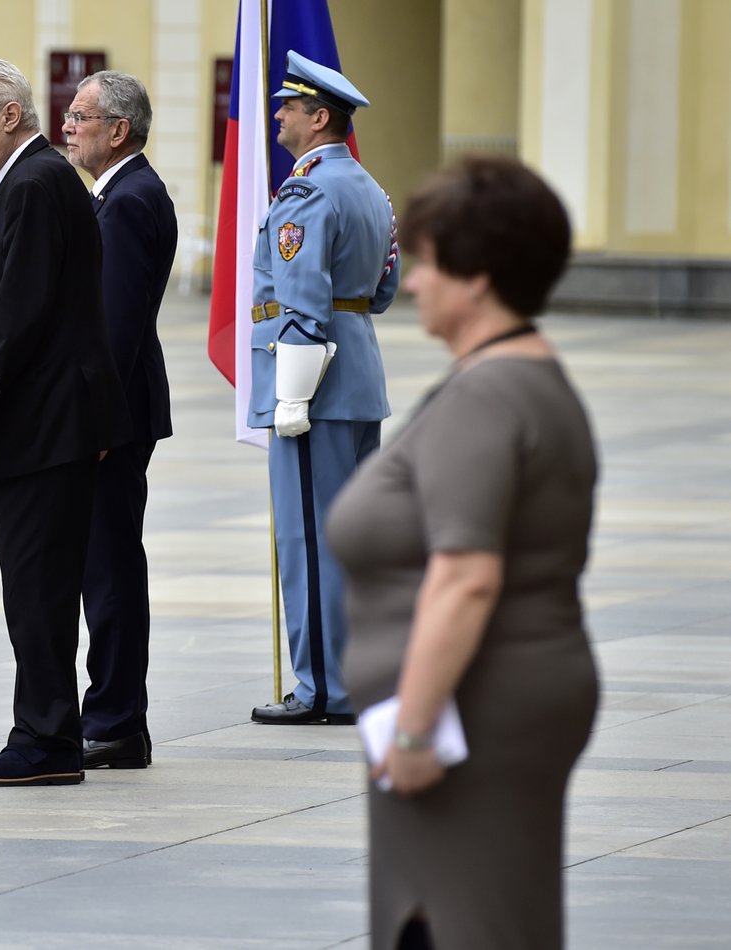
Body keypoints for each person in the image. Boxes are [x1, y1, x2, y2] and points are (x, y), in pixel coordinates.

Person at [326, 155, 600, 949]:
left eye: (429, 262)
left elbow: (467, 575)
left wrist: (412, 731)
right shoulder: (520, 380)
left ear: (477, 277)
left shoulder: (488, 396)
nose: (413, 283)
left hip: (468, 714)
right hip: (502, 702)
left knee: (458, 922)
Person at [0, 59, 128, 787]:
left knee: (40, 587)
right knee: (33, 586)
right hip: (38, 423)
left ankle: (46, 741)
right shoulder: (21, 184)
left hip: (45, 424)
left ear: (9, 116)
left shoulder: (36, 184)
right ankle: (44, 729)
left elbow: (19, 312)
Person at [248, 51, 400, 725]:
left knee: (309, 542)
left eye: (288, 106)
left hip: (315, 385)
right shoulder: (370, 189)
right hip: (358, 372)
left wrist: (291, 394)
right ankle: (352, 678)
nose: (279, 114)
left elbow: (304, 301)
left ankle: (323, 690)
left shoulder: (307, 192)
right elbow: (384, 291)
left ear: (318, 118)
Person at [62, 71, 177, 769]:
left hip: (115, 419)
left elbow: (115, 326)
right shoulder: (117, 194)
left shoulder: (130, 200)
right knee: (102, 566)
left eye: (81, 115)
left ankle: (115, 720)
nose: (68, 125)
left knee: (109, 571)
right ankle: (111, 713)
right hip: (117, 413)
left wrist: (97, 424)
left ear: (118, 130)